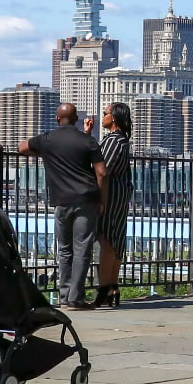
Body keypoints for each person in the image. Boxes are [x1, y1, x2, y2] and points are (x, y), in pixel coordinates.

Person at [19, 103, 107, 310]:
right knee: (82, 249)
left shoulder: (48, 140)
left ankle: (65, 296)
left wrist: (46, 154)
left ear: (57, 119)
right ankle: (76, 298)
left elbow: (21, 148)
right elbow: (102, 172)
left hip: (61, 201)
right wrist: (102, 199)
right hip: (87, 199)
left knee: (65, 250)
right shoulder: (88, 140)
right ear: (76, 119)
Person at [85, 102, 133, 309]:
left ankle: (105, 289)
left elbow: (103, 169)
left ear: (113, 117)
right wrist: (87, 136)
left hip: (111, 195)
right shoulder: (120, 140)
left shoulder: (114, 141)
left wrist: (99, 198)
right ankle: (111, 287)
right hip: (119, 193)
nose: (102, 116)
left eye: (104, 113)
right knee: (115, 240)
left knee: (107, 240)